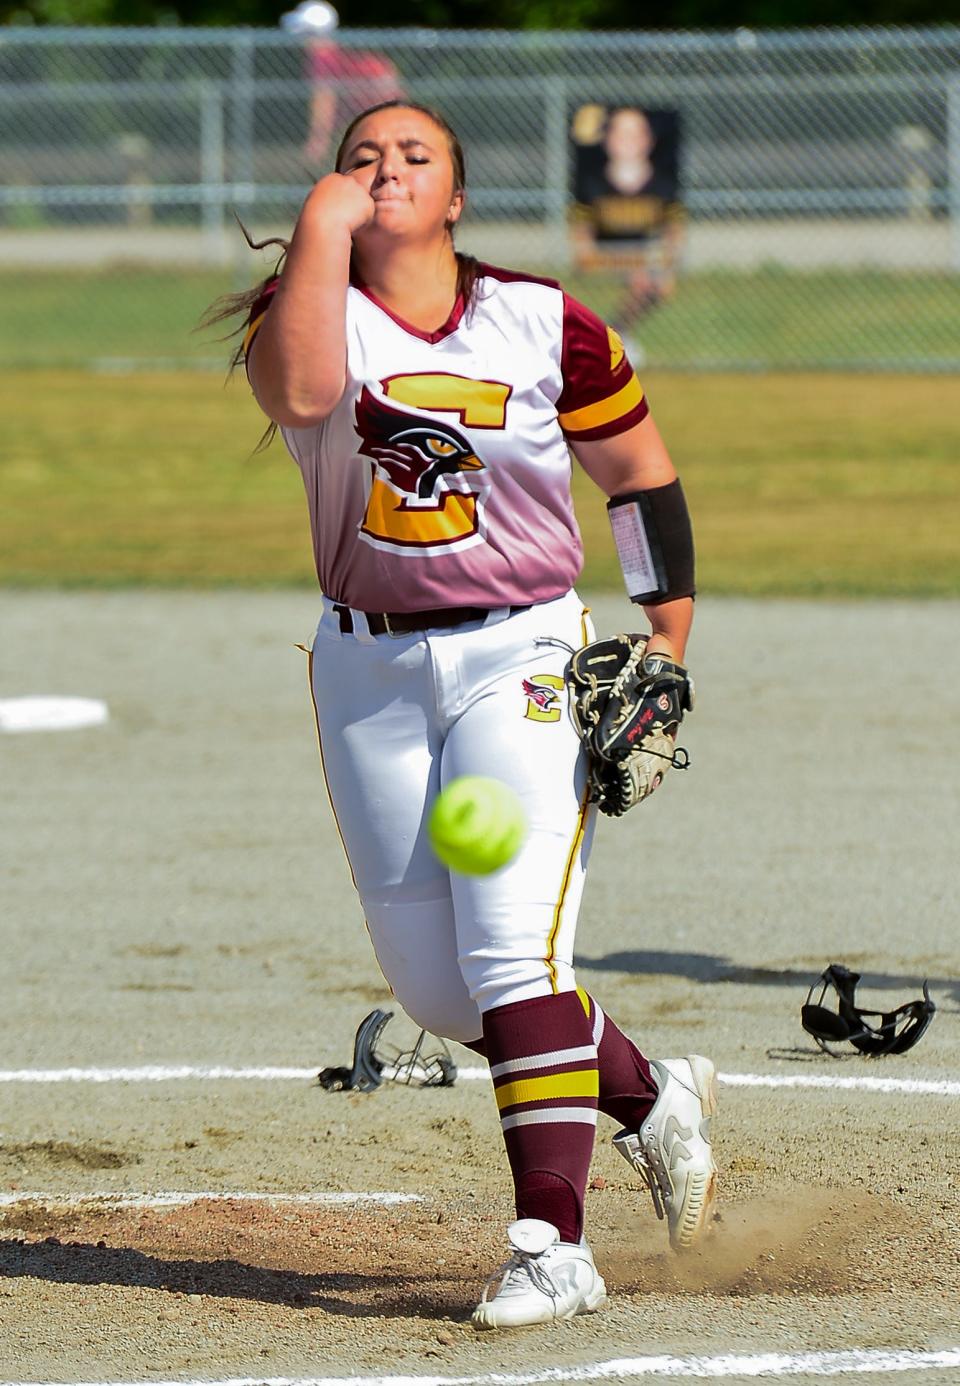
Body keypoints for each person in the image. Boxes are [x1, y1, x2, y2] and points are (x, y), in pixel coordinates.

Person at [227, 100, 716, 1330]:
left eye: (415, 157)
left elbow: (639, 477)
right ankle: (654, 1099)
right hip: (368, 671)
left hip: (525, 652)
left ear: (456, 197)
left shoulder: (546, 321)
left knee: (512, 961)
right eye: (359, 158)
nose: (385, 170)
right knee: (447, 999)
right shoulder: (308, 317)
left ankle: (554, 1243)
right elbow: (299, 394)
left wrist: (663, 635)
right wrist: (318, 228)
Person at [571, 104, 686, 361]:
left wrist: (668, 257)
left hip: (642, 258)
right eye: (621, 134)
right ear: (609, 140)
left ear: (648, 140)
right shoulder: (592, 183)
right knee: (643, 279)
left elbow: (673, 232)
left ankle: (613, 335)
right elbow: (583, 240)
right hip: (606, 256)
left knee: (658, 283)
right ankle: (613, 336)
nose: (628, 142)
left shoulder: (662, 184)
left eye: (635, 134)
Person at [280, 2, 405, 169]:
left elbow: (324, 100)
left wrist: (318, 142)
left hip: (376, 117)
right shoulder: (334, 54)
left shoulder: (322, 57)